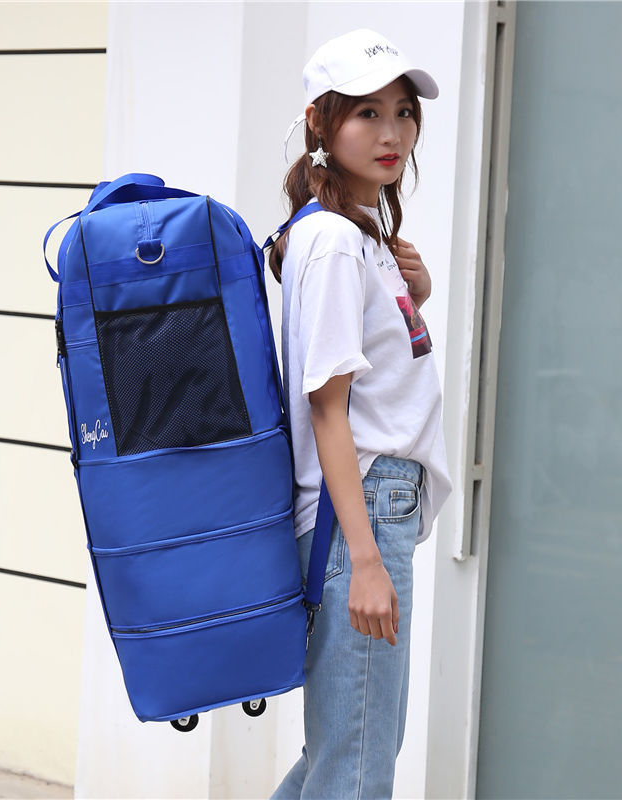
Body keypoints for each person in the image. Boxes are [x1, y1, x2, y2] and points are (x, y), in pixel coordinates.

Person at [267, 28, 452, 800]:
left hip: (370, 508)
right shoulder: (337, 243)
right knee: (355, 767)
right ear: (320, 121)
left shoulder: (358, 238)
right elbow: (328, 410)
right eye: (367, 112)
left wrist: (416, 296)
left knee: (342, 753)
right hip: (363, 512)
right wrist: (368, 561)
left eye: (403, 112)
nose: (392, 133)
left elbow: (380, 380)